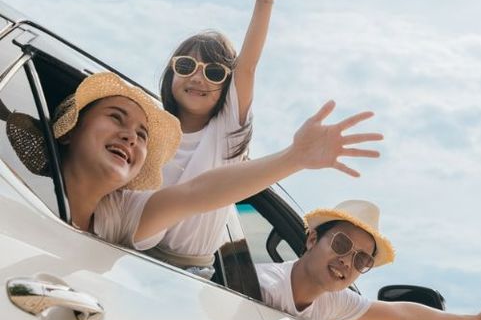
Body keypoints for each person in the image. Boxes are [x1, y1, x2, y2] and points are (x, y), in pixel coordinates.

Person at [47, 72, 381, 251]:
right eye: (116, 117)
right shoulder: (21, 187)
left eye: (142, 134)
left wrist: (294, 158)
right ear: (69, 130)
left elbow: (197, 193)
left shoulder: (121, 214)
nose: (130, 137)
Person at [155, 0, 300, 276]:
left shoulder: (225, 134)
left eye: (214, 72)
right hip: (125, 253)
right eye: (186, 66)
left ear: (227, 87)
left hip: (188, 273)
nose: (198, 77)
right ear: (171, 73)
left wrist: (265, 0)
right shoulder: (145, 129)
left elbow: (246, 67)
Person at [256, 200, 481, 320]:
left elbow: (404, 316)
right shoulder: (265, 287)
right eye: (341, 243)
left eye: (361, 260)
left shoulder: (332, 302)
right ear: (312, 239)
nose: (347, 261)